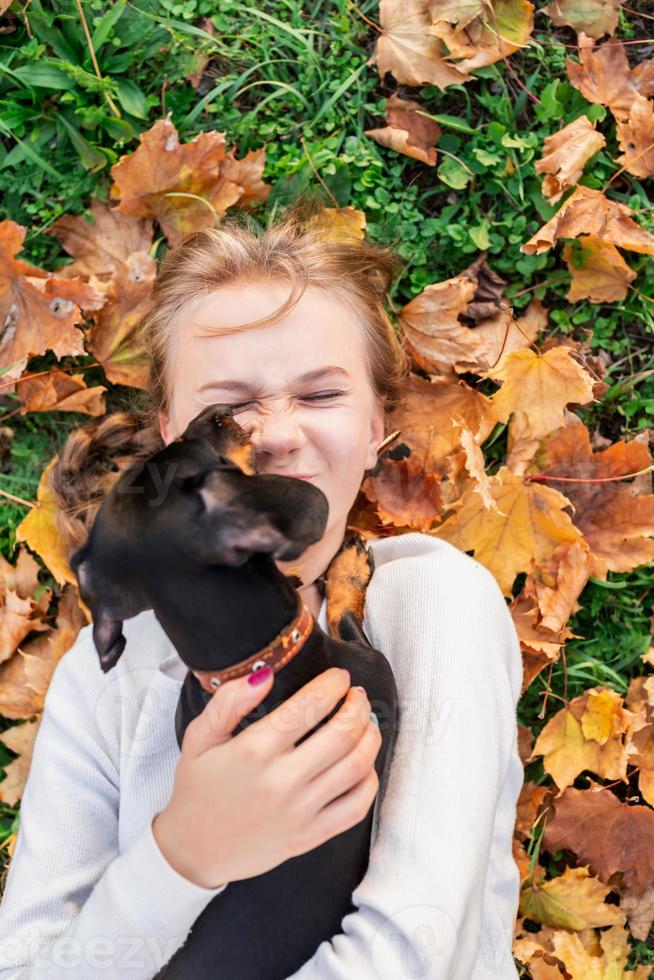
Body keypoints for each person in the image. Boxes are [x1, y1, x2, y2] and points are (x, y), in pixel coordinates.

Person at [0, 200, 524, 978]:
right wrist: (183, 854)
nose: (276, 432)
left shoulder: (435, 605)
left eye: (320, 395)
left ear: (378, 423)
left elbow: (411, 955)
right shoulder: (106, 675)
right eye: (230, 407)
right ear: (174, 431)